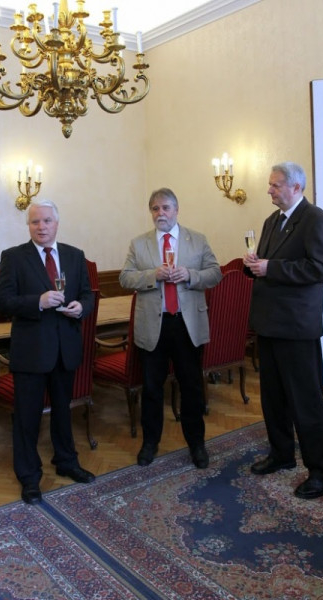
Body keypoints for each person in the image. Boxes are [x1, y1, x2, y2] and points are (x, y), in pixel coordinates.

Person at [243, 162, 323, 499]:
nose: (269, 190)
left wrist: (271, 267)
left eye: (275, 185)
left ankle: (321, 473)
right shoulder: (272, 221)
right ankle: (281, 454)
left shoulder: (316, 219)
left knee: (305, 403)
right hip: (268, 325)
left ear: (296, 187)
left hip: (297, 328)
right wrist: (253, 266)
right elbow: (267, 266)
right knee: (274, 399)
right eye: (270, 184)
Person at [0, 199, 95, 505]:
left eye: (47, 221)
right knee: (27, 417)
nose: (41, 227)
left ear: (57, 224)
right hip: (31, 351)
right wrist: (37, 302)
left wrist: (81, 307)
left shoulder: (75, 255)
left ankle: (66, 461)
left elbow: (87, 294)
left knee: (63, 411)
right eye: (35, 222)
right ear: (28, 226)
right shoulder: (14, 257)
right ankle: (29, 477)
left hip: (65, 348)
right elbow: (2, 302)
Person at [119, 188, 222, 469]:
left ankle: (197, 444)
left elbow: (215, 273)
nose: (160, 213)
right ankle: (150, 444)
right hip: (154, 325)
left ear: (176, 210)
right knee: (152, 389)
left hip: (187, 325)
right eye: (155, 208)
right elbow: (125, 278)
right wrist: (153, 275)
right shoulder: (139, 244)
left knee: (192, 388)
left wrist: (189, 274)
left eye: (165, 207)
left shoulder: (197, 240)